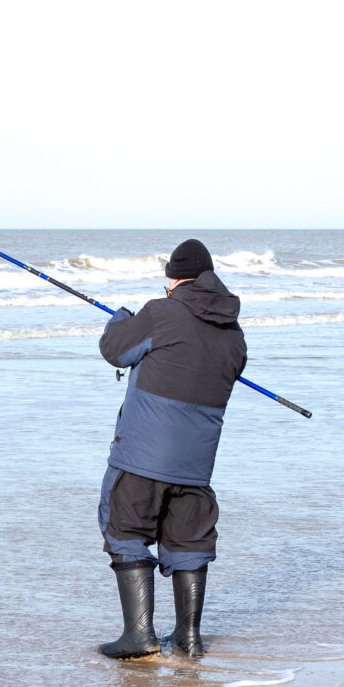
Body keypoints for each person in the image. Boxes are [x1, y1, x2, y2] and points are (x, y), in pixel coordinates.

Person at [92, 238, 246, 659]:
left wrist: (120, 320)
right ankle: (188, 637)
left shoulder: (160, 313)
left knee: (124, 531)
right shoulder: (235, 336)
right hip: (197, 468)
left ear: (174, 280)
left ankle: (138, 636)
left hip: (140, 457)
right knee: (189, 543)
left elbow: (116, 351)